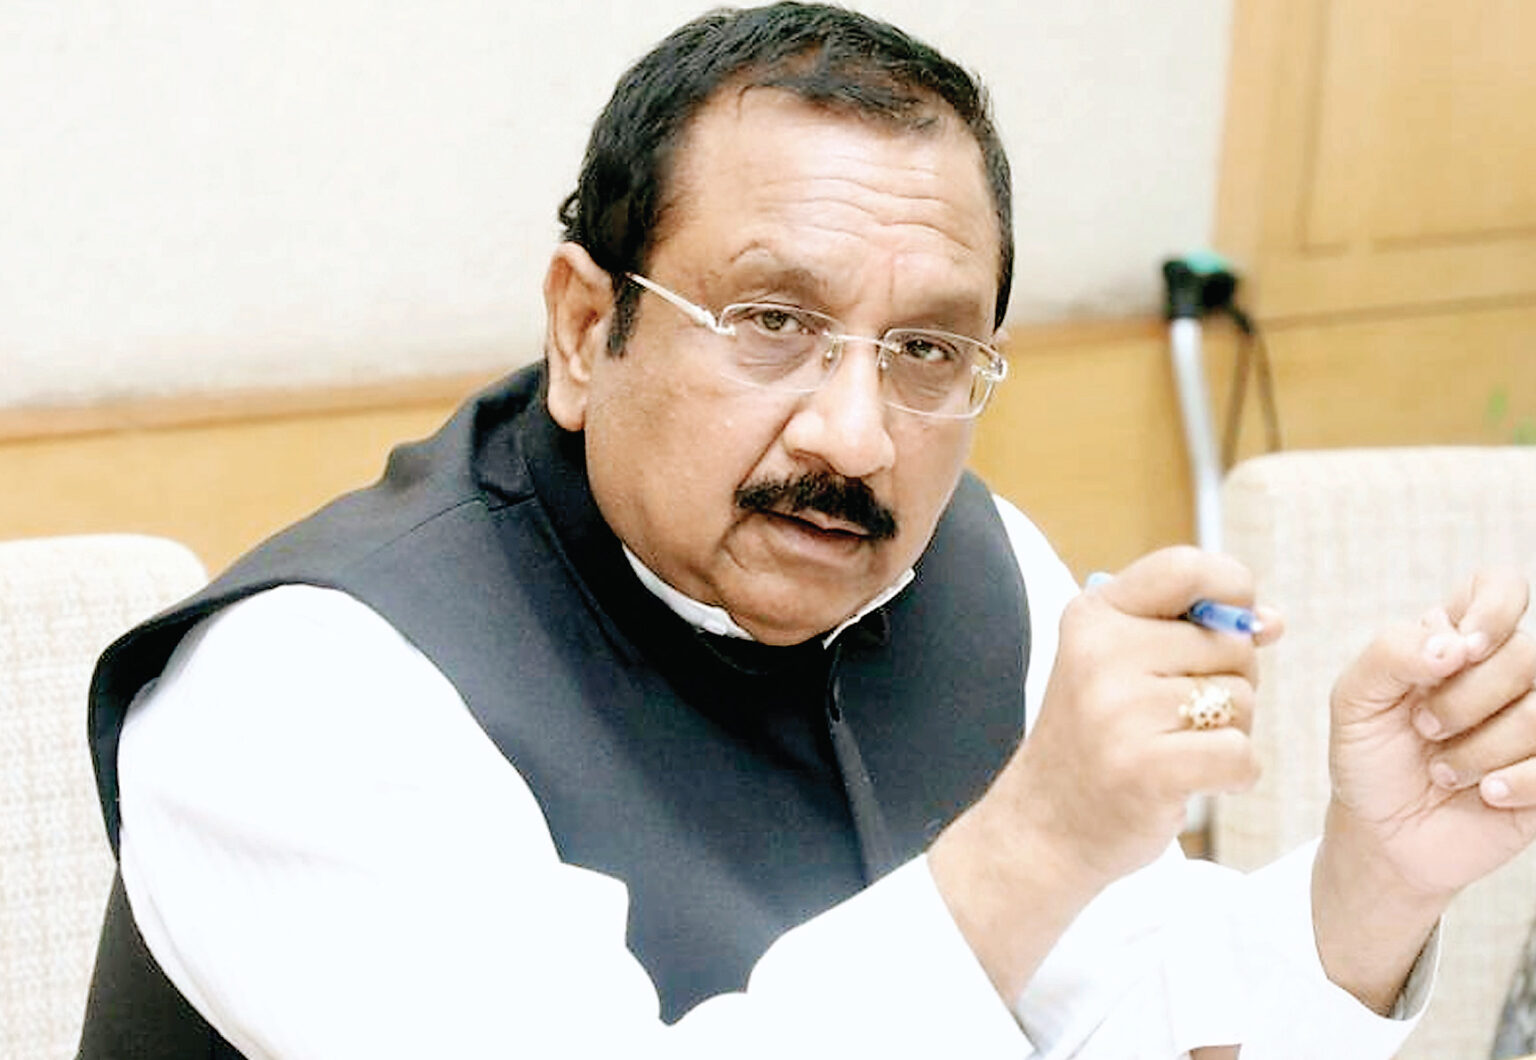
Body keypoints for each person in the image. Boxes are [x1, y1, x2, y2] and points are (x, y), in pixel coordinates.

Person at [76, 4, 1536, 1058]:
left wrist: (1377, 877)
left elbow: (1120, 1020)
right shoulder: (304, 692)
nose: (855, 437)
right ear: (585, 331)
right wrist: (1033, 841)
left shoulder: (981, 571)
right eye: (772, 321)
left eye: (927, 351)